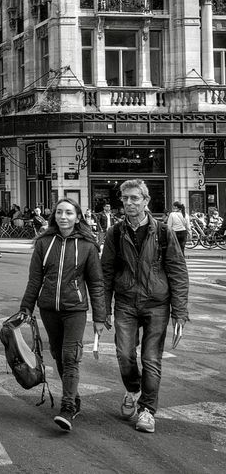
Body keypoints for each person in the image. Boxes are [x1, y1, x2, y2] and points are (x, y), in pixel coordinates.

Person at [101, 179, 190, 434]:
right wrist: (103, 308)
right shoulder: (115, 233)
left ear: (146, 201)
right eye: (126, 198)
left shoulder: (163, 232)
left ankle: (147, 410)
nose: (129, 203)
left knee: (151, 359)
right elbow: (106, 273)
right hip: (126, 303)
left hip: (157, 305)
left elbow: (177, 272)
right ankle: (133, 389)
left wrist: (180, 312)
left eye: (135, 198)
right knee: (124, 354)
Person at [18, 197, 107, 431]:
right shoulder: (43, 243)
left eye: (68, 213)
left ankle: (67, 406)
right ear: (54, 216)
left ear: (78, 217)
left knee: (70, 356)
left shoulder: (88, 246)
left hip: (75, 309)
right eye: (59, 212)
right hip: (48, 308)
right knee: (58, 354)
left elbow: (97, 283)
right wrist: (26, 308)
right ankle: (74, 398)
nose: (63, 217)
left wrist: (100, 317)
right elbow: (35, 278)